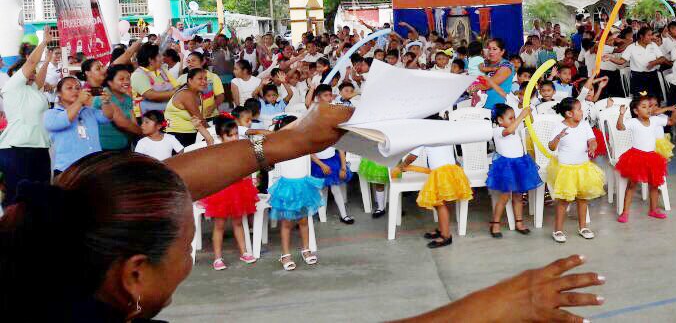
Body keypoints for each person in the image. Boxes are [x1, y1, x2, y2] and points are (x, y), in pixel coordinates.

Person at [0, 102, 606, 320]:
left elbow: (154, 185)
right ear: (135, 275)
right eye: (186, 244)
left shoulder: (46, 260)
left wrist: (285, 143)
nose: (189, 253)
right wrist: (492, 308)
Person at [199, 115, 259, 270]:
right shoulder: (216, 149)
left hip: (239, 189)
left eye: (236, 134)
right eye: (229, 135)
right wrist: (199, 127)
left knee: (238, 223)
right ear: (221, 136)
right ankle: (217, 258)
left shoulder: (241, 148)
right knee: (219, 225)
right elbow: (208, 139)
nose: (234, 138)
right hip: (222, 191)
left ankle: (244, 252)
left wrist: (252, 179)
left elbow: (247, 167)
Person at [0, 29, 53, 204]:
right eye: (30, 70)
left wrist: (47, 61)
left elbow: (39, 79)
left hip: (40, 147)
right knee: (18, 200)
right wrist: (44, 42)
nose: (33, 72)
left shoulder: (32, 89)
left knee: (41, 197)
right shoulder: (12, 87)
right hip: (16, 149)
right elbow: (31, 62)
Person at [266, 115, 324, 271]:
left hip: (303, 188)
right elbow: (270, 139)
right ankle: (285, 254)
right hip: (287, 189)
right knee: (287, 223)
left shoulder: (305, 145)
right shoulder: (280, 147)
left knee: (303, 221)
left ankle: (306, 249)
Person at [614, 96, 676, 222]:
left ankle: (653, 210)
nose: (648, 109)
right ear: (636, 111)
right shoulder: (633, 122)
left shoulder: (655, 120)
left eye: (649, 106)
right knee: (632, 185)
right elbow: (620, 127)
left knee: (654, 185)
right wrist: (621, 115)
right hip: (636, 157)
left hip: (652, 157)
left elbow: (671, 122)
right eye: (644, 107)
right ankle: (625, 212)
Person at [547, 98, 604, 243]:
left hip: (583, 167)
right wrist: (558, 137)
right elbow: (551, 147)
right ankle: (558, 230)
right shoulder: (559, 127)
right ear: (569, 113)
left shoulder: (584, 125)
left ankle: (583, 227)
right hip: (566, 169)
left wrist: (592, 146)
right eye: (578, 109)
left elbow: (592, 140)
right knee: (563, 201)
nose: (581, 111)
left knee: (582, 198)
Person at [397, 144, 472, 249]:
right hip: (452, 169)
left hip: (441, 172)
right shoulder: (443, 134)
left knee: (439, 203)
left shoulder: (425, 136)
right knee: (444, 202)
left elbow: (413, 155)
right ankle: (442, 229)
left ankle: (446, 236)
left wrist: (403, 165)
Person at [485, 104, 541, 238]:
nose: (514, 120)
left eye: (514, 117)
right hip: (506, 167)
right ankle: (495, 223)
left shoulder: (516, 126)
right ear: (500, 120)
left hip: (519, 164)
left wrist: (528, 111)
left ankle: (519, 222)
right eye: (511, 118)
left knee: (518, 196)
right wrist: (521, 116)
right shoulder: (498, 131)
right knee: (504, 197)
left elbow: (530, 122)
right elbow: (509, 131)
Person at [44, 77, 116, 176]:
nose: (75, 91)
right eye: (69, 88)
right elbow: (64, 120)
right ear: (59, 93)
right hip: (68, 170)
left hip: (93, 167)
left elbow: (108, 117)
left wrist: (106, 102)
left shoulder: (88, 110)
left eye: (78, 88)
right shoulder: (51, 114)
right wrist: (79, 101)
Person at [164, 68, 216, 148]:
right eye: (200, 79)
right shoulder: (186, 94)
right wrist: (214, 133)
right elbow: (200, 119)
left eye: (205, 79)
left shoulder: (198, 93)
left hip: (190, 134)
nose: (204, 82)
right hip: (178, 136)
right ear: (190, 80)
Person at [95, 64, 142, 151]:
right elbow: (122, 123)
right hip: (104, 150)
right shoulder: (103, 96)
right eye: (121, 79)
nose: (127, 82)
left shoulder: (127, 98)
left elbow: (133, 122)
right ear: (110, 82)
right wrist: (145, 133)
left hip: (124, 147)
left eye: (128, 78)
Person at [130, 43, 178, 115]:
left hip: (165, 110)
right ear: (151, 60)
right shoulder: (138, 75)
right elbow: (151, 95)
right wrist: (174, 93)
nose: (162, 58)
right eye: (159, 56)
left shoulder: (162, 70)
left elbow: (176, 86)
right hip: (146, 116)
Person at [623, 27, 667, 97]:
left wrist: (654, 63)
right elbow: (621, 61)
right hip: (638, 77)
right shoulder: (631, 47)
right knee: (641, 100)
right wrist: (610, 58)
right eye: (649, 35)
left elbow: (662, 58)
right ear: (641, 36)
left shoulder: (653, 45)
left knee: (654, 99)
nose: (652, 37)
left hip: (652, 76)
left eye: (651, 35)